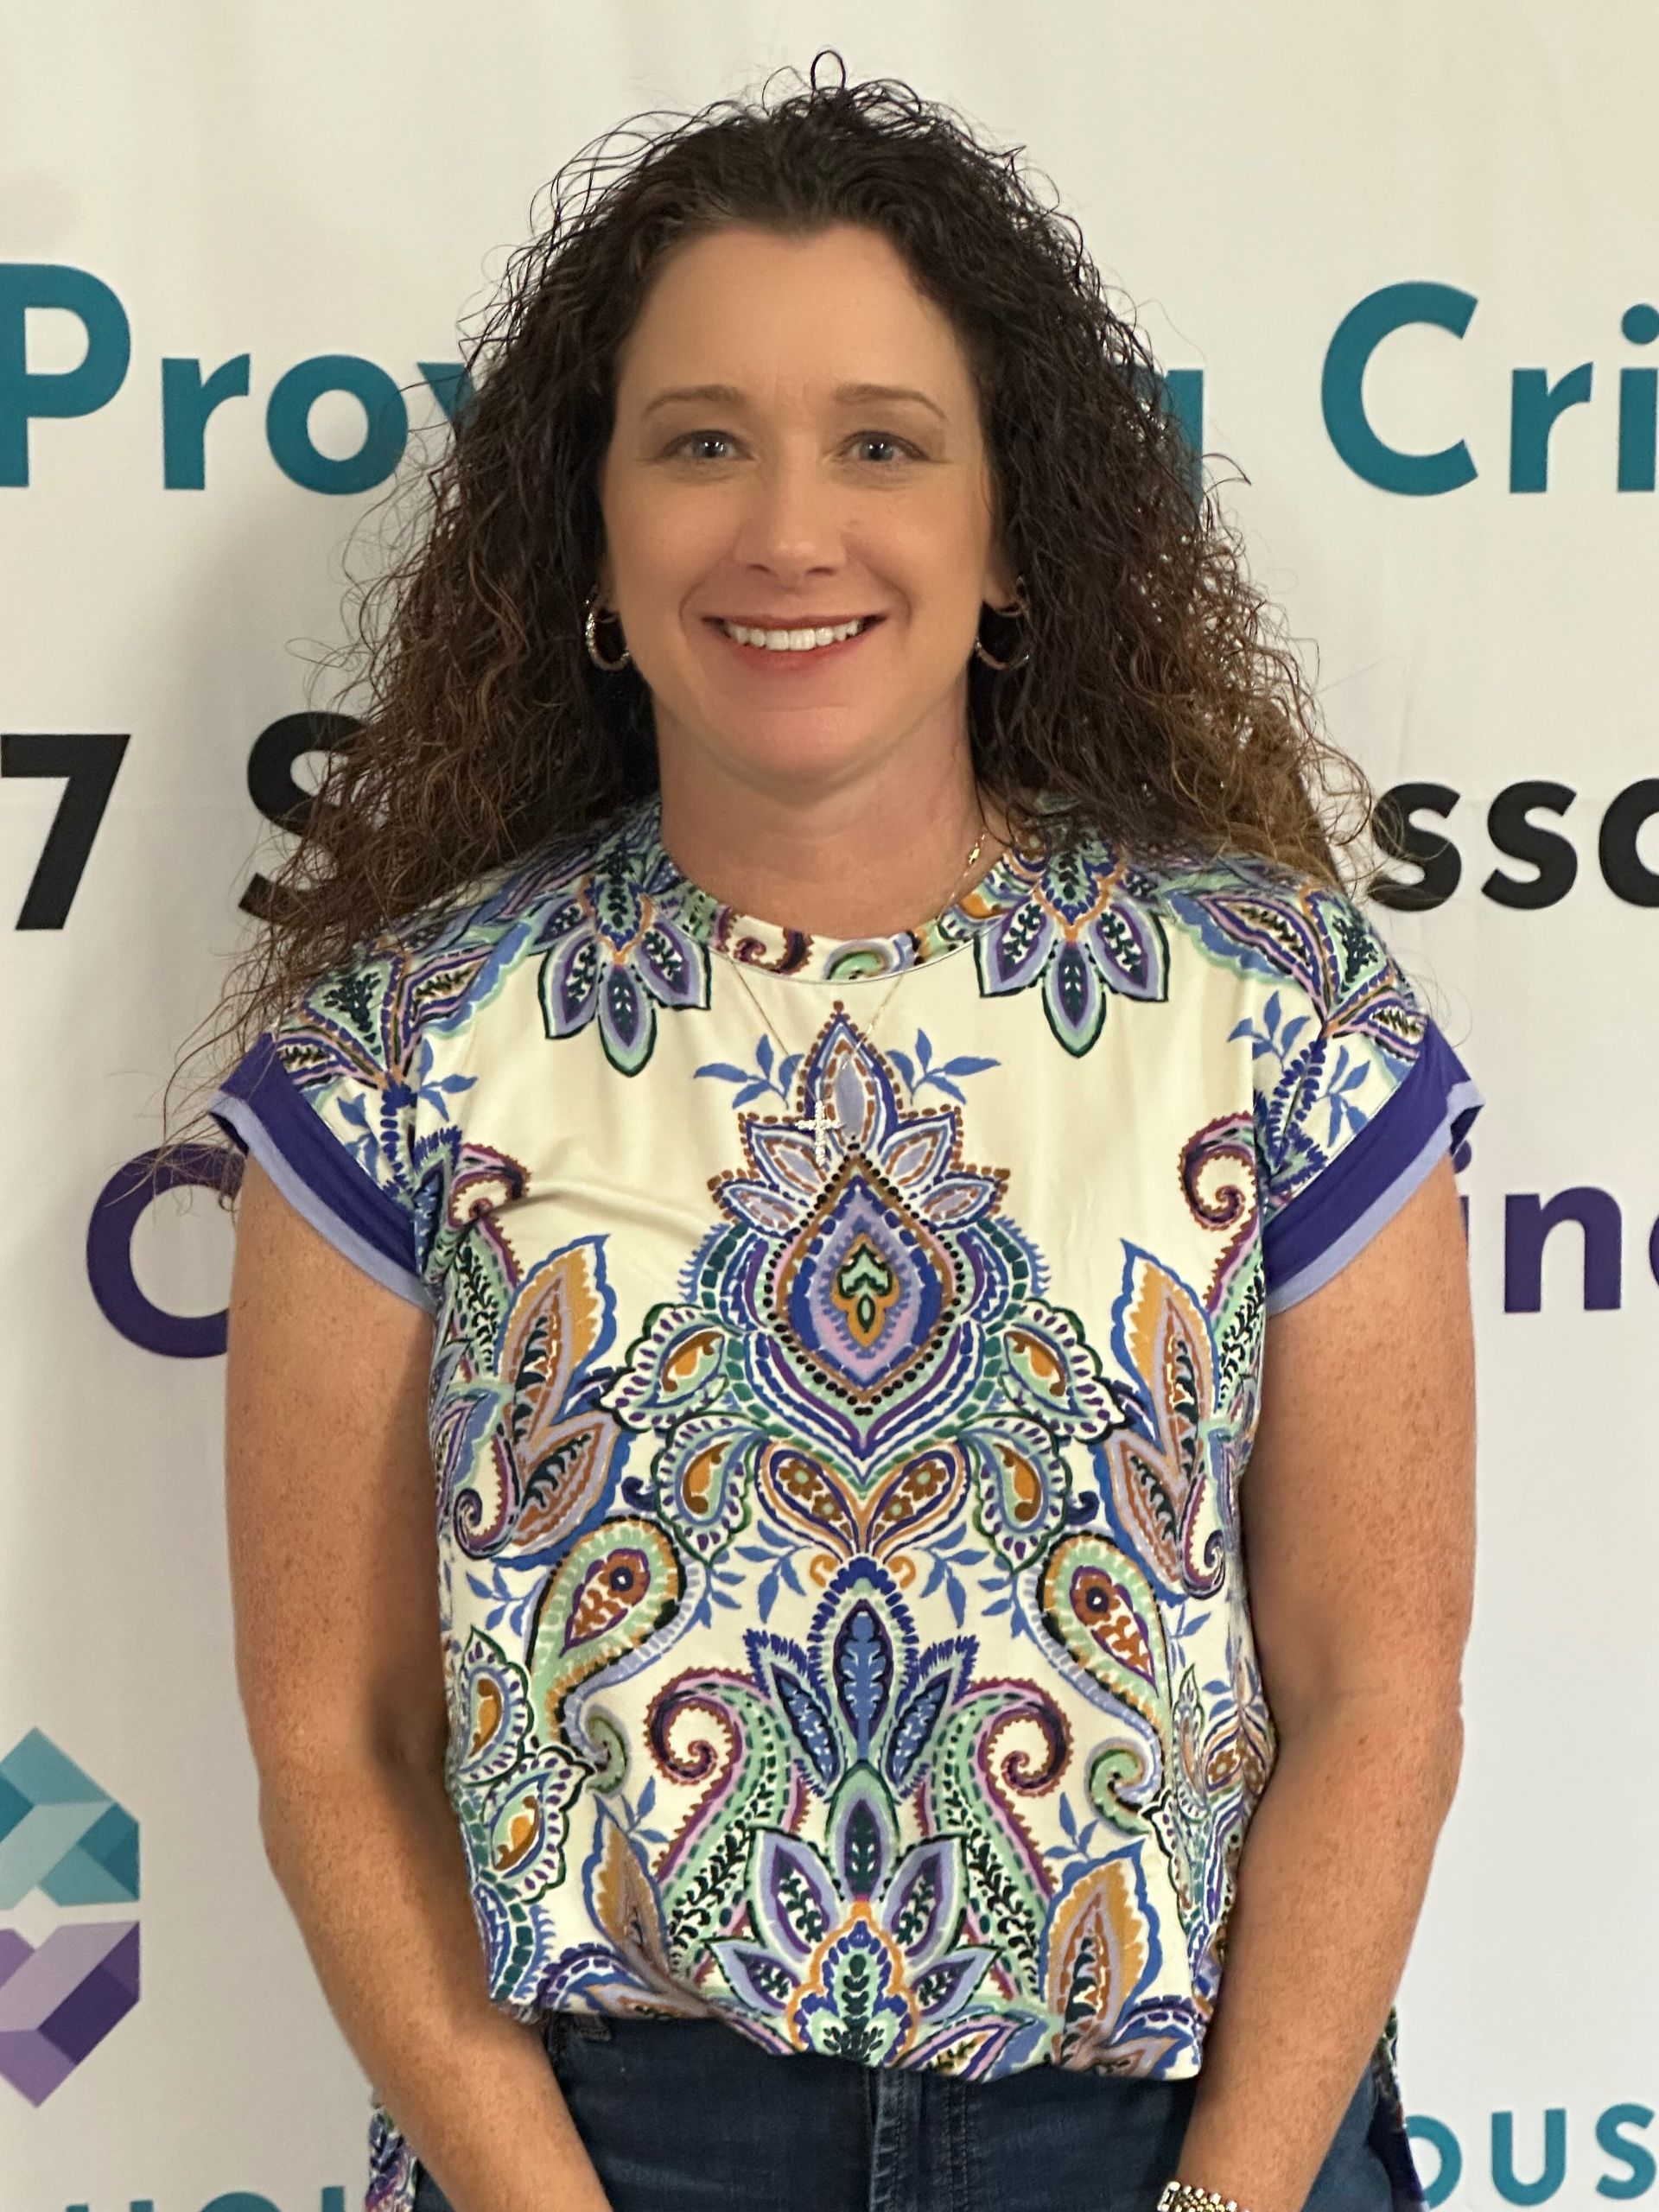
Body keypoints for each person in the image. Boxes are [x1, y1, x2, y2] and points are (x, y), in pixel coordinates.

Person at [185, 53, 1481, 2212]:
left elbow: (1379, 1691)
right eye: (702, 445)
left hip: (1181, 2136)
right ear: (594, 538)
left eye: (882, 444)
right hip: (603, 2151)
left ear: (1008, 537)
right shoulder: (398, 1055)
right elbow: (341, 1740)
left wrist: (1230, 2200)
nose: (790, 529)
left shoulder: (1287, 1019)